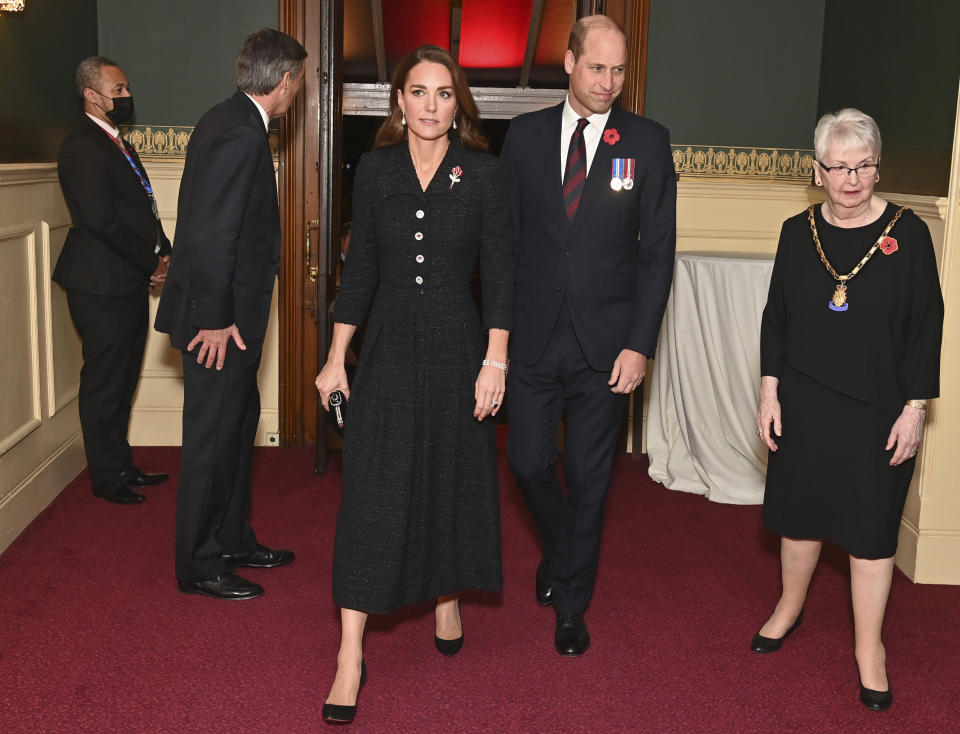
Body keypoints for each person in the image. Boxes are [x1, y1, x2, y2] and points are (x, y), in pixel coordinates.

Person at [314, 44, 513, 724]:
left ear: (459, 107)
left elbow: (503, 274)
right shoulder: (374, 171)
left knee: (449, 478)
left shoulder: (483, 176)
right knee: (372, 491)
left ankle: (446, 595)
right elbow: (361, 267)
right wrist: (337, 356)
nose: (431, 105)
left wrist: (497, 359)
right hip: (391, 349)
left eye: (444, 94)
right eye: (419, 92)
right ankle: (349, 656)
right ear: (399, 101)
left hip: (460, 349)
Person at [753, 108, 944, 711]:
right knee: (801, 515)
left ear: (877, 167)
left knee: (870, 531)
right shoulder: (795, 230)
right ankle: (788, 608)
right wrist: (768, 389)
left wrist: (915, 409)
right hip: (805, 403)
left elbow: (925, 327)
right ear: (818, 171)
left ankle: (869, 649)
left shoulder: (907, 233)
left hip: (878, 412)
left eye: (864, 165)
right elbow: (775, 319)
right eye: (840, 167)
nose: (853, 178)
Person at [500, 15, 676, 657]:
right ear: (569, 63)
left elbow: (657, 254)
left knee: (590, 474)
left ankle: (571, 601)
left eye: (618, 70)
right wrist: (497, 338)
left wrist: (641, 343)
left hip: (609, 345)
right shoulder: (522, 138)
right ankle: (563, 547)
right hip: (534, 337)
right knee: (527, 462)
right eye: (596, 67)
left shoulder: (648, 143)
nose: (608, 82)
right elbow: (507, 245)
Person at [154, 29, 306, 601]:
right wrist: (214, 319)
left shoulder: (224, 119)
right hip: (223, 323)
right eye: (298, 85)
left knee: (239, 426)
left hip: (232, 319)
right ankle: (199, 563)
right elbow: (212, 234)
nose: (296, 95)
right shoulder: (241, 135)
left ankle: (234, 538)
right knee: (213, 439)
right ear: (285, 80)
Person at [54, 56, 172, 505]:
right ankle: (105, 477)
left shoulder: (116, 141)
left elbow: (142, 204)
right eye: (117, 91)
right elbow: (101, 220)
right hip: (99, 283)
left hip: (126, 280)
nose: (126, 98)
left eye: (126, 89)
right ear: (91, 95)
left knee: (124, 378)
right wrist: (150, 262)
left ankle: (121, 464)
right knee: (105, 381)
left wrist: (165, 249)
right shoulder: (82, 146)